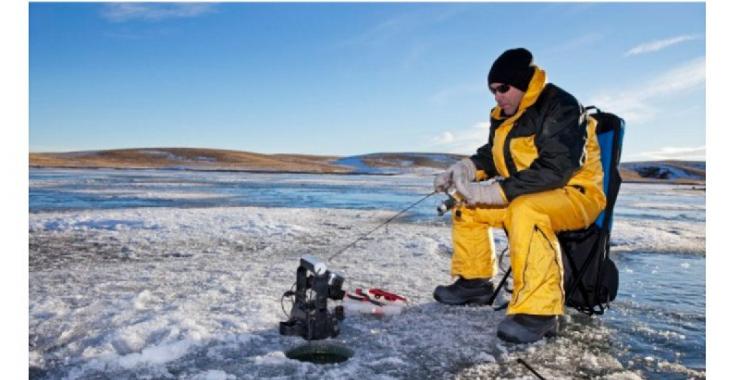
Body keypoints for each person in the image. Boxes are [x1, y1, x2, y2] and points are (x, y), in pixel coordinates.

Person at [433, 48, 607, 344]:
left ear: (523, 83)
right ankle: (475, 282)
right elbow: (492, 155)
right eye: (492, 91)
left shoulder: (560, 106)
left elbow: (556, 169)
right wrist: (464, 169)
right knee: (467, 207)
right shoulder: (504, 116)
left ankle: (539, 313)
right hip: (529, 192)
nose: (497, 96)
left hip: (575, 195)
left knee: (525, 210)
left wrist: (495, 191)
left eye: (503, 88)